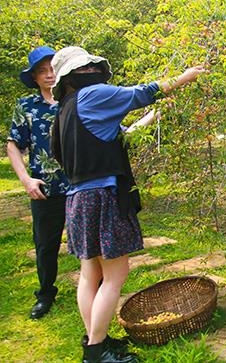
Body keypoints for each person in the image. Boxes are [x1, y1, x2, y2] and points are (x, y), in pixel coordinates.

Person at [50, 46, 207, 363]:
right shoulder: (92, 95)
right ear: (77, 73)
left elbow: (122, 133)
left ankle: (98, 339)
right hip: (102, 196)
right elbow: (142, 92)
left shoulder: (65, 111)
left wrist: (154, 116)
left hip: (78, 199)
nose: (91, 72)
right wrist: (185, 78)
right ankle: (95, 351)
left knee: (89, 274)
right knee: (115, 275)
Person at [6, 46, 70, 320]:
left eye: (52, 68)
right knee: (45, 244)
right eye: (42, 71)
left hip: (80, 185)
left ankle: (98, 288)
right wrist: (25, 179)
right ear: (34, 77)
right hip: (44, 189)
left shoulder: (76, 100)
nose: (49, 75)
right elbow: (13, 145)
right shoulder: (26, 107)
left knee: (89, 242)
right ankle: (45, 294)